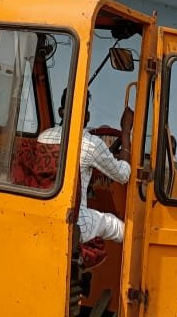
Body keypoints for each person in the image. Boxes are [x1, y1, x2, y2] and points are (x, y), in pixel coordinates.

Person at [39, 89, 133, 242]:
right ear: (87, 116)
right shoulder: (91, 144)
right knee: (122, 229)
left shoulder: (43, 137)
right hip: (76, 219)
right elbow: (123, 175)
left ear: (60, 112)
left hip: (44, 211)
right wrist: (126, 131)